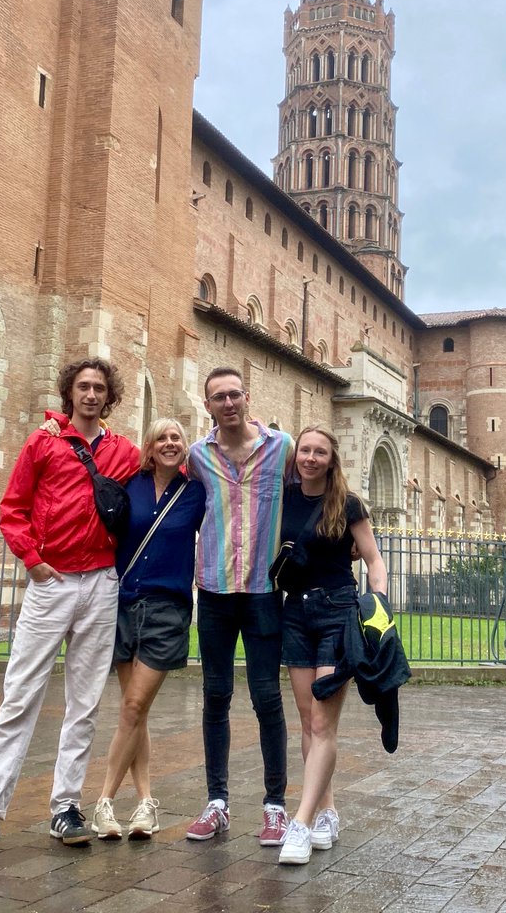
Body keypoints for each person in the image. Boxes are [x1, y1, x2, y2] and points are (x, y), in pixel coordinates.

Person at [0, 358, 141, 857]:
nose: (92, 394)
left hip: (101, 582)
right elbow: (13, 507)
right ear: (69, 393)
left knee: (85, 703)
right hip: (50, 580)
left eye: (100, 387)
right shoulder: (44, 442)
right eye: (83, 387)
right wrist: (31, 561)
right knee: (19, 696)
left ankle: (65, 806)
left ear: (110, 396)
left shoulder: (123, 451)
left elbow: (171, 461)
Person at [185, 367, 294, 846]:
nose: (228, 403)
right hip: (212, 589)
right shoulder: (197, 456)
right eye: (218, 397)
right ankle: (217, 803)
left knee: (267, 698)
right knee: (215, 695)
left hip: (264, 590)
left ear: (247, 398)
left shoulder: (283, 447)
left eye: (234, 394)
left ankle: (275, 807)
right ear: (207, 405)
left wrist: (352, 538)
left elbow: (316, 489)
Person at [277, 425, 388, 866]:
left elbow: (374, 558)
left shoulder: (348, 503)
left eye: (319, 452)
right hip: (295, 615)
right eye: (304, 450)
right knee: (307, 722)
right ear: (296, 455)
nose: (310, 458)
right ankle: (327, 811)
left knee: (323, 722)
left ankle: (300, 822)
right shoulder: (283, 498)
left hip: (338, 613)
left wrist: (378, 608)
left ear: (331, 459)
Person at [91, 418, 205, 841]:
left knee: (135, 705)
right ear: (150, 447)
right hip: (122, 605)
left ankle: (103, 801)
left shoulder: (197, 492)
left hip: (166, 609)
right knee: (132, 711)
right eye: (162, 438)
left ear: (184, 448)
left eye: (177, 438)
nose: (170, 443)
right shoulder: (130, 484)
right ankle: (145, 803)